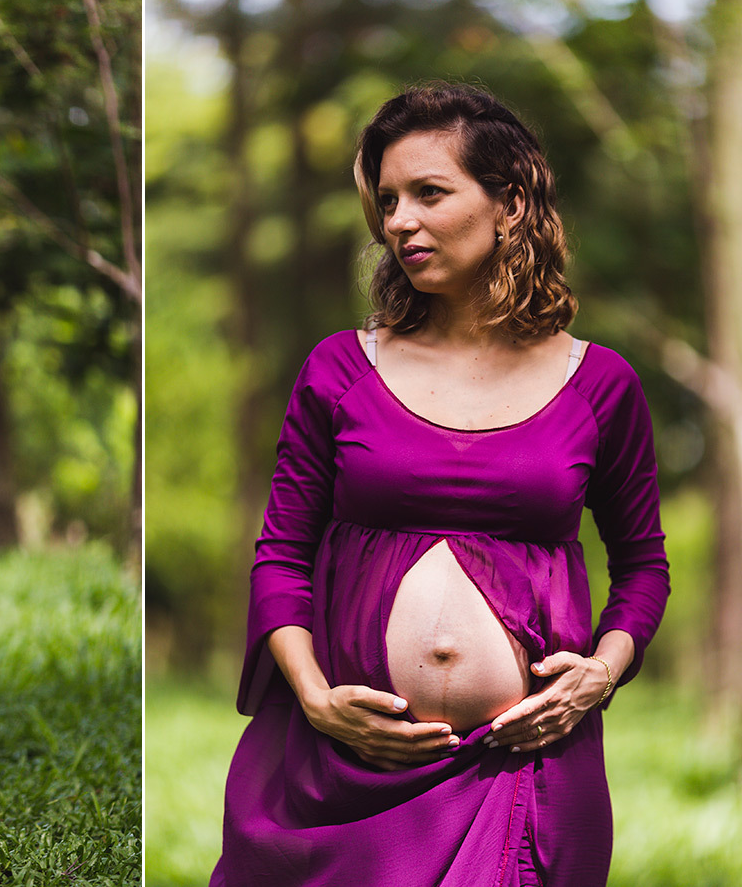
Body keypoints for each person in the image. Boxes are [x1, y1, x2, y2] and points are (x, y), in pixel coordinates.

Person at [209, 84, 669, 886]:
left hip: (521, 772)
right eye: (388, 200)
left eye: (429, 193)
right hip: (343, 774)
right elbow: (281, 554)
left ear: (510, 204)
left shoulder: (600, 384)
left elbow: (642, 566)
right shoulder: (341, 368)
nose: (398, 222)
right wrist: (315, 699)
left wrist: (599, 674)